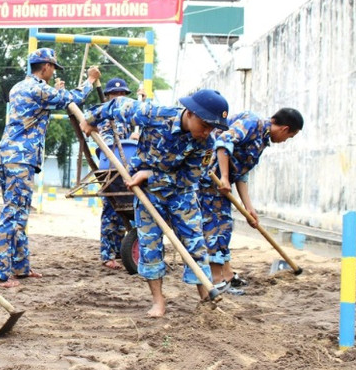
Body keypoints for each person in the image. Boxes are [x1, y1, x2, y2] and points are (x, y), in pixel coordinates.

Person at [81, 89, 230, 317]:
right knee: (150, 246)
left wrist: (151, 175)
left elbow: (190, 178)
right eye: (205, 124)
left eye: (213, 127)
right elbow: (117, 105)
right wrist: (91, 120)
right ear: (189, 113)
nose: (208, 131)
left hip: (181, 193)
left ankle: (206, 299)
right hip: (147, 193)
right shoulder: (155, 114)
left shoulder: (206, 143)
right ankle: (158, 302)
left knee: (195, 245)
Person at [0, 48, 101, 288]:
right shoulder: (38, 88)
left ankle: (20, 266)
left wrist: (56, 91)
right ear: (46, 66)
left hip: (11, 155)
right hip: (21, 157)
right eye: (53, 68)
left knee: (20, 212)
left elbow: (47, 103)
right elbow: (72, 99)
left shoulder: (21, 87)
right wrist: (90, 80)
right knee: (14, 212)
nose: (53, 72)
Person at [199, 108, 304, 294]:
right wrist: (223, 177)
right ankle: (217, 280)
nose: (286, 141)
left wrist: (249, 208)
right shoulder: (252, 122)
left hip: (221, 184)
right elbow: (223, 141)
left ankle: (228, 274)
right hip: (209, 179)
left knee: (225, 226)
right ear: (285, 129)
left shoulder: (261, 141)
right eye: (290, 137)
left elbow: (241, 174)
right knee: (215, 227)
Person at [87, 77, 132, 271]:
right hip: (110, 164)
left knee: (124, 209)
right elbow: (104, 140)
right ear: (108, 96)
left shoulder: (128, 115)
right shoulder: (103, 114)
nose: (119, 97)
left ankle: (120, 251)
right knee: (110, 210)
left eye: (122, 93)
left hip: (127, 163)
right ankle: (107, 254)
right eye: (115, 94)